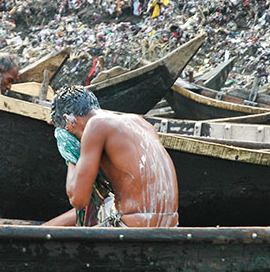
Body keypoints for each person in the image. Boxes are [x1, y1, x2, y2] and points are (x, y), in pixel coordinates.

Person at [45, 86, 179, 228]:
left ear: (69, 121)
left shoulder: (95, 125)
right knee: (102, 204)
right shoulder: (139, 122)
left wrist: (68, 148)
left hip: (134, 226)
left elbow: (78, 200)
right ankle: (40, 231)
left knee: (56, 228)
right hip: (170, 225)